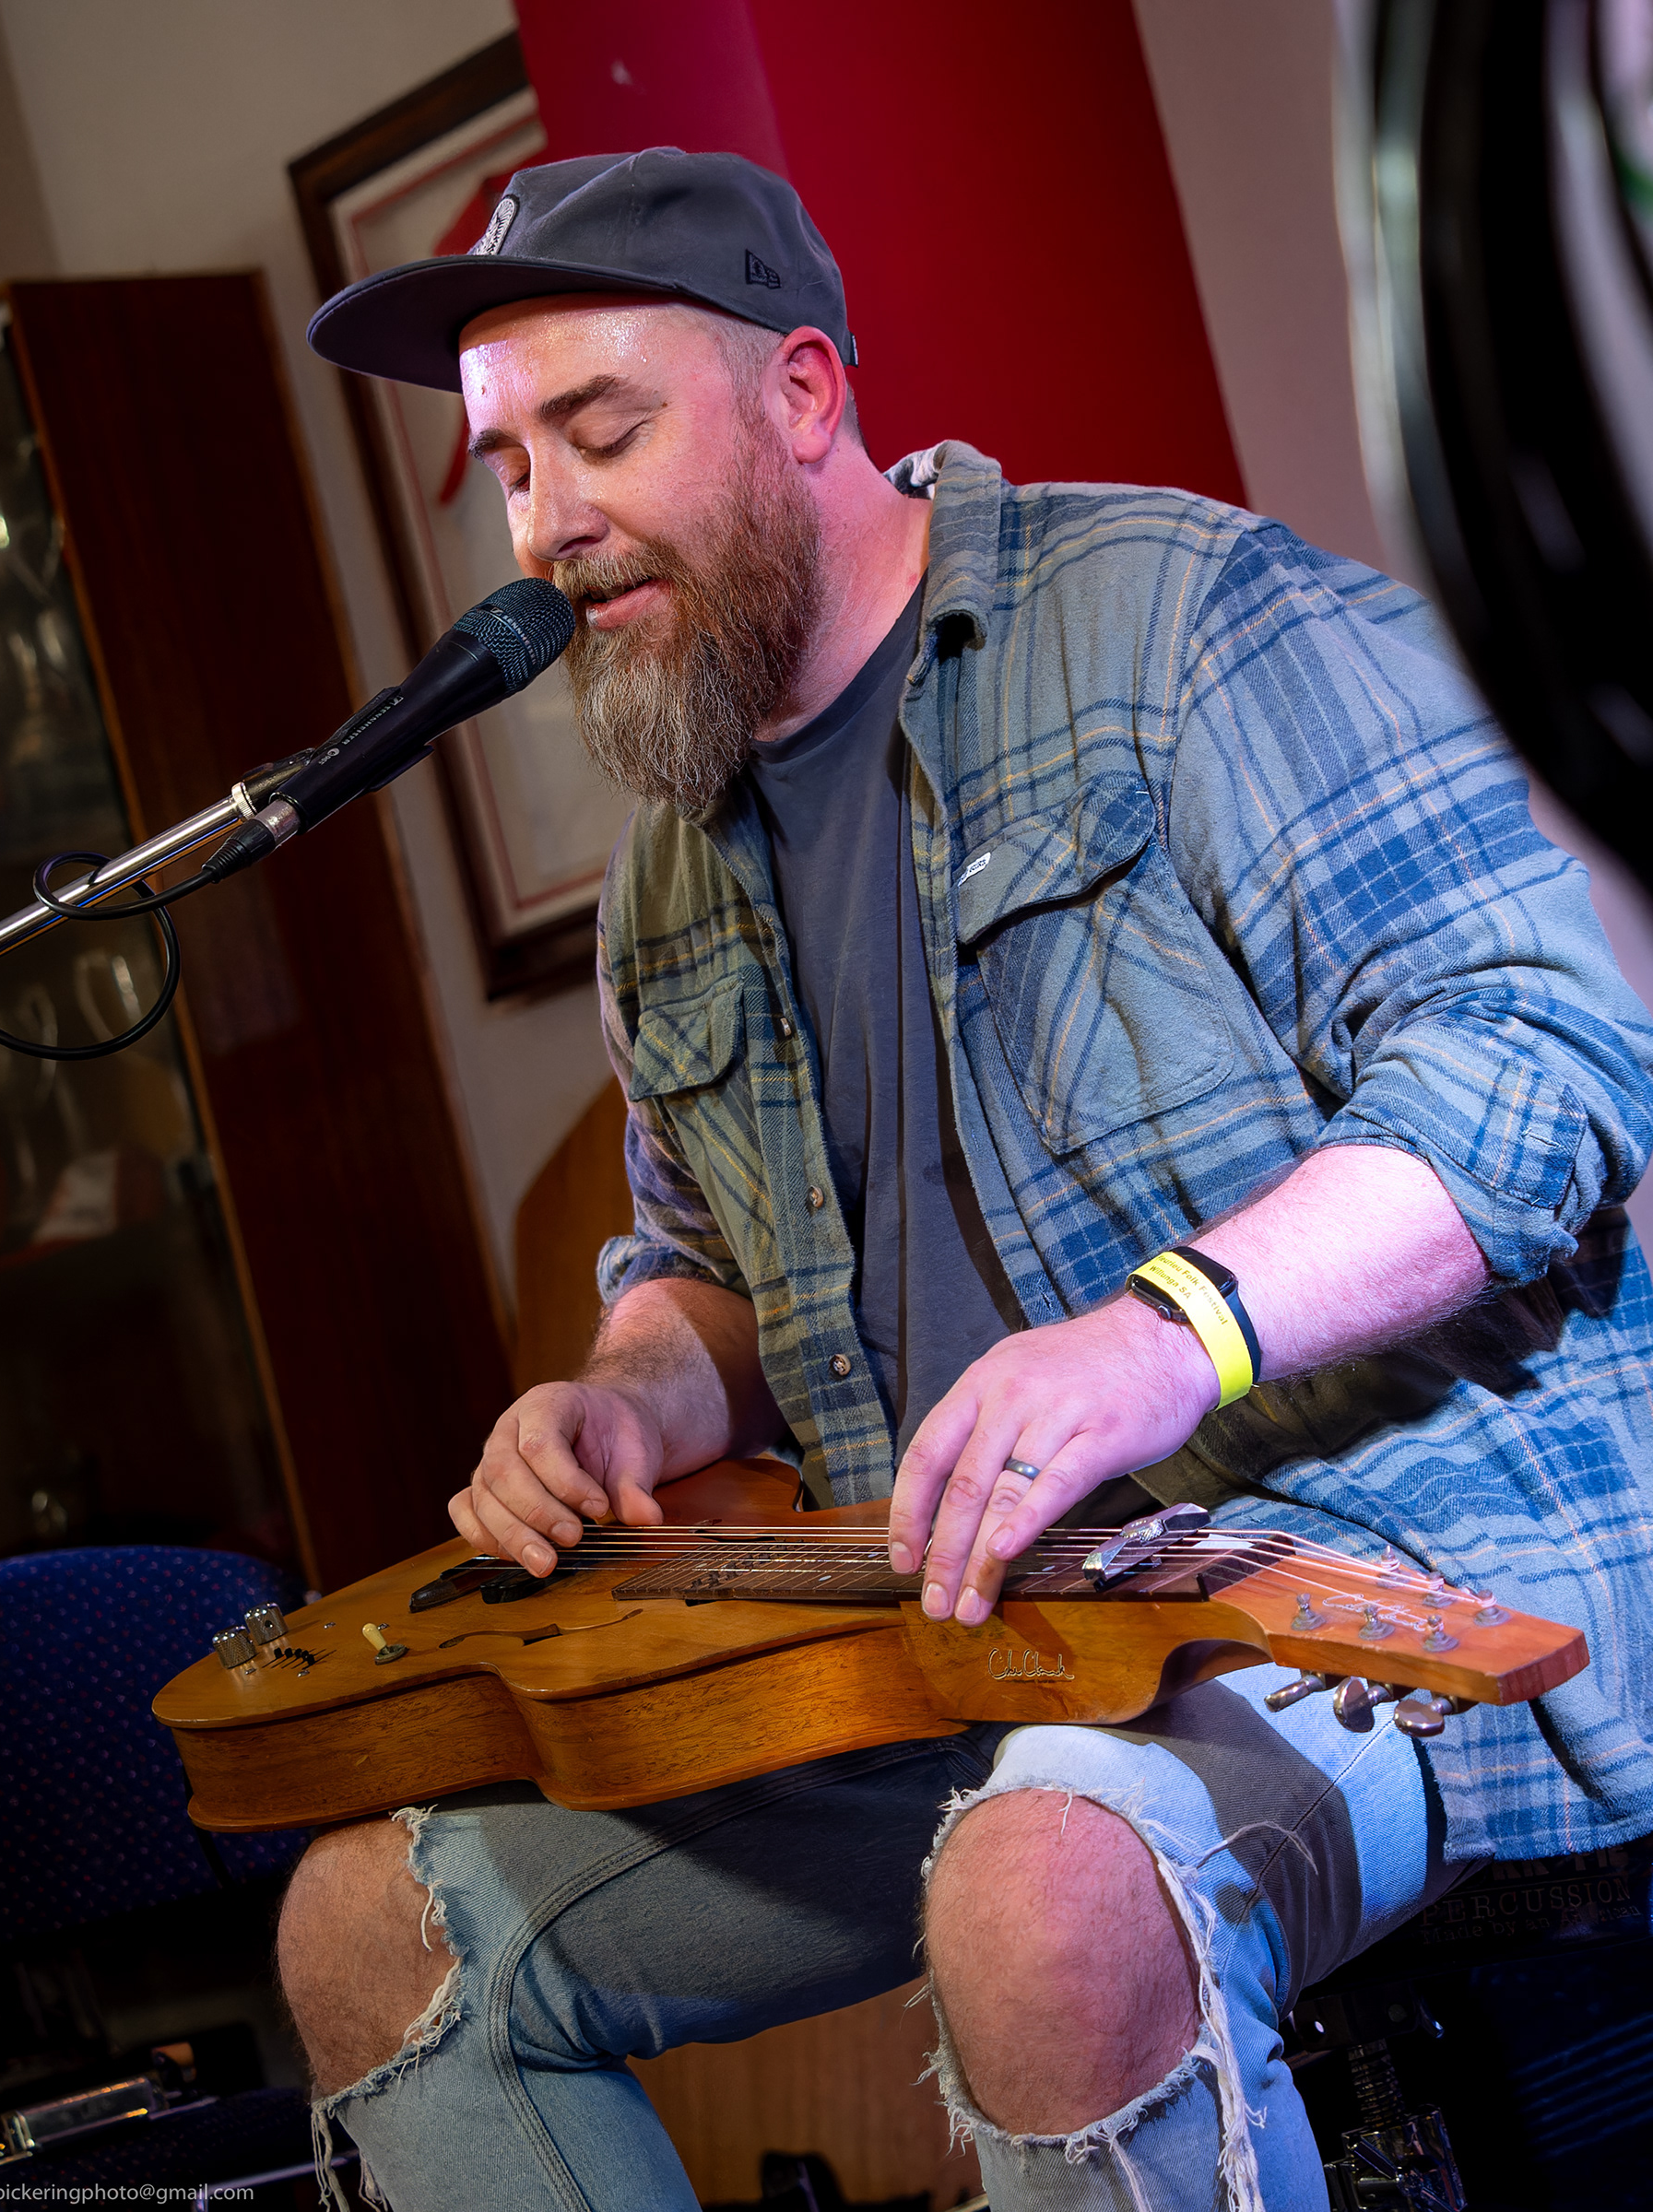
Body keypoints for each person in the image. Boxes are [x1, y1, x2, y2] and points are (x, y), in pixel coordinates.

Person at [279, 149, 1653, 2211]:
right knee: (371, 1933)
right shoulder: (668, 875)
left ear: (803, 394)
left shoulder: (1185, 617)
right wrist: (630, 1396)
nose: (548, 523)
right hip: (954, 1638)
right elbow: (708, 1271)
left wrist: (1166, 1340)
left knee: (1044, 1894)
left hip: (1376, 1590)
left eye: (603, 431)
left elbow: (1546, 1058)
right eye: (509, 466)